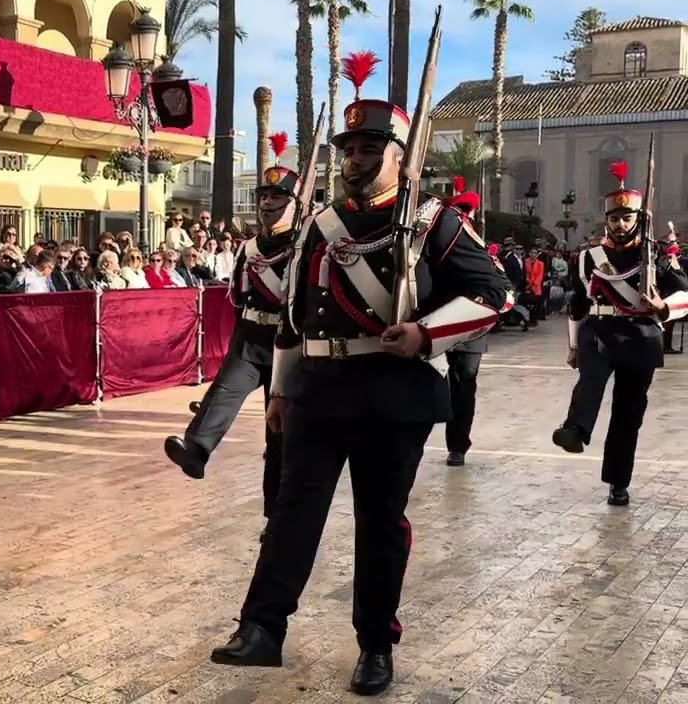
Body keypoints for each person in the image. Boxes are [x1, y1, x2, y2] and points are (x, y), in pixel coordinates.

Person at [208, 54, 512, 697]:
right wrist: (282, 389)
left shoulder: (433, 222)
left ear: (400, 156)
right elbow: (294, 315)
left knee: (380, 524)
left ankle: (376, 643)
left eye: (370, 148)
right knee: (292, 511)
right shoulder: (320, 226)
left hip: (394, 395)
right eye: (349, 149)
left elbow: (494, 294)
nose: (355, 159)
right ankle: (261, 628)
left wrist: (426, 333)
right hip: (318, 390)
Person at [164, 131, 300, 536]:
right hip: (252, 334)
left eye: (277, 198)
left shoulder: (306, 244)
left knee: (279, 433)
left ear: (295, 203)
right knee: (224, 390)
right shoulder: (249, 247)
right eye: (264, 197)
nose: (268, 204)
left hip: (290, 344)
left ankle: (276, 517)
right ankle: (196, 450)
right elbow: (238, 296)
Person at [552, 160, 688, 506]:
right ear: (607, 220)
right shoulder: (589, 257)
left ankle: (618, 482)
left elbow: (684, 293)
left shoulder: (656, 255)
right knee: (590, 380)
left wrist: (662, 307)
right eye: (614, 218)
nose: (620, 224)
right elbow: (578, 304)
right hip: (599, 329)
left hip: (640, 335)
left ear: (638, 219)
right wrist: (573, 346)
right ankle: (575, 430)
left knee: (628, 413)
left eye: (627, 218)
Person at [441, 177, 510, 467]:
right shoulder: (435, 252)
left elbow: (505, 292)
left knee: (464, 386)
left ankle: (457, 445)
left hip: (470, 332)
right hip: (436, 327)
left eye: (464, 215)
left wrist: (483, 309)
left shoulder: (483, 255)